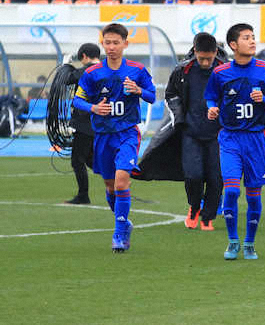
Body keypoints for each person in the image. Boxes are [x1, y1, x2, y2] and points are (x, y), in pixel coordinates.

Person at [71, 24, 157, 253]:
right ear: (103, 44)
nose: (111, 47)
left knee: (121, 182)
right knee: (110, 187)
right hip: (103, 135)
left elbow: (152, 96)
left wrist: (138, 90)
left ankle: (119, 233)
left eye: (116, 42)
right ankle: (124, 222)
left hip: (127, 133)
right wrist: (93, 108)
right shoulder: (92, 73)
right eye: (107, 42)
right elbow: (77, 100)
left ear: (125, 44)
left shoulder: (137, 70)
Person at [206, 24, 265, 260]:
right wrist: (212, 108)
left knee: (253, 195)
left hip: (256, 139)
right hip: (230, 138)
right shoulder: (220, 73)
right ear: (233, 45)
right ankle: (232, 241)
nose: (252, 41)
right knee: (231, 191)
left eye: (253, 37)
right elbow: (210, 97)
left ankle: (249, 242)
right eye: (246, 38)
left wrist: (264, 98)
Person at [164, 33, 225, 230]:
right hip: (190, 132)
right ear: (195, 51)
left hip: (219, 135)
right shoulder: (182, 70)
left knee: (216, 178)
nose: (206, 62)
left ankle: (208, 217)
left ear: (215, 52)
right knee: (193, 175)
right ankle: (194, 207)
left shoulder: (226, 71)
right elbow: (170, 95)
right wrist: (179, 118)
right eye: (202, 58)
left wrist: (223, 111)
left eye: (209, 58)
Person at [65, 43, 102, 205]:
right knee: (89, 159)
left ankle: (83, 195)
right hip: (100, 122)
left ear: (85, 56)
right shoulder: (106, 70)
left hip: (85, 123)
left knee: (77, 160)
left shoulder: (86, 71)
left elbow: (67, 79)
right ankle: (116, 180)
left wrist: (66, 65)